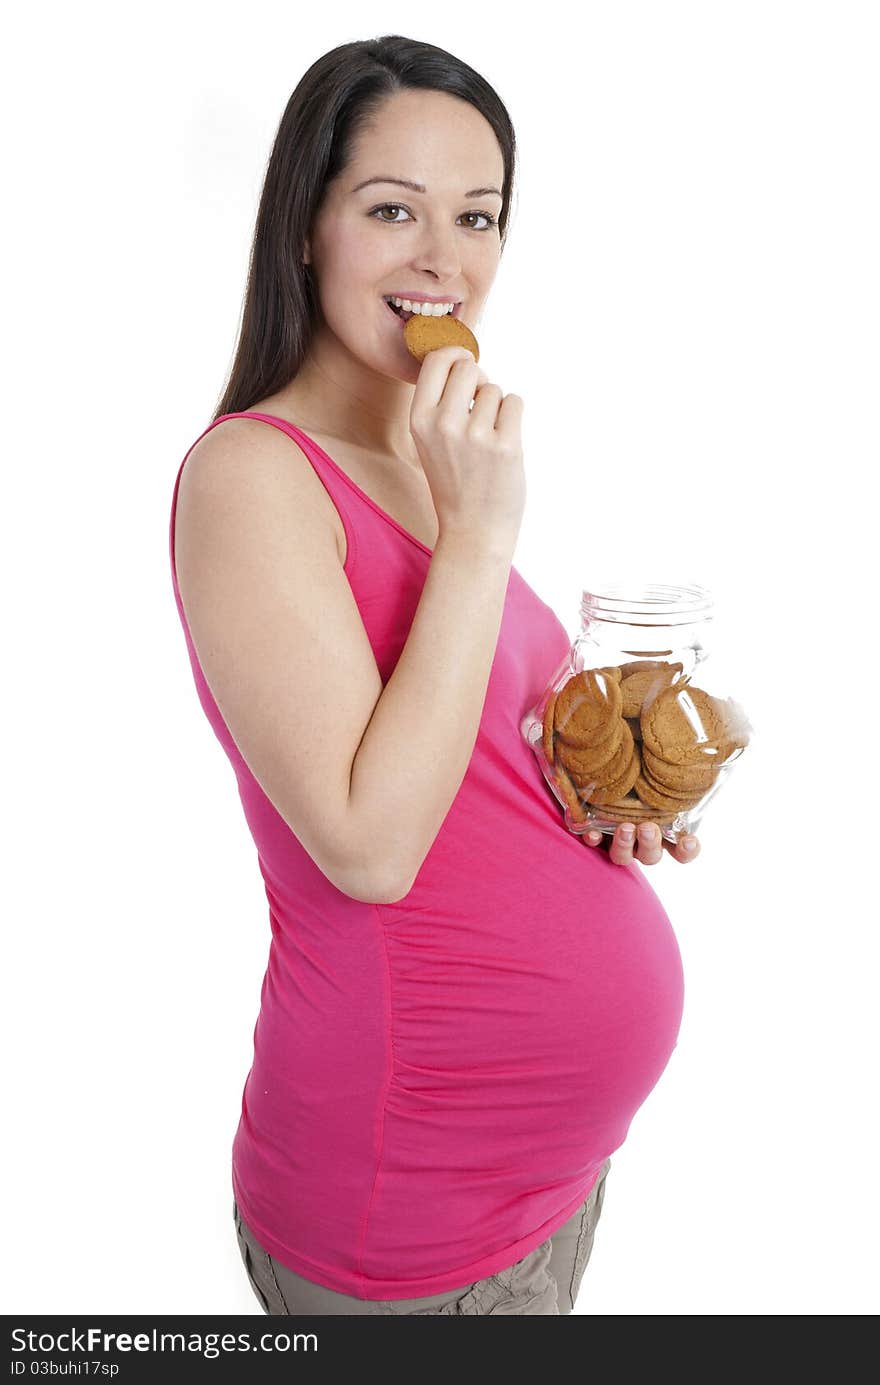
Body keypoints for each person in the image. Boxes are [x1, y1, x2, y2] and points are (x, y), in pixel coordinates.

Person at [168, 34, 699, 1317]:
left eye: (477, 217)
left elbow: (458, 753)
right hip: (406, 1213)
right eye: (391, 209)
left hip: (548, 1184)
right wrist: (482, 534)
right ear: (305, 225)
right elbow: (367, 846)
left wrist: (598, 797)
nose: (442, 258)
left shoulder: (424, 454)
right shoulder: (252, 478)